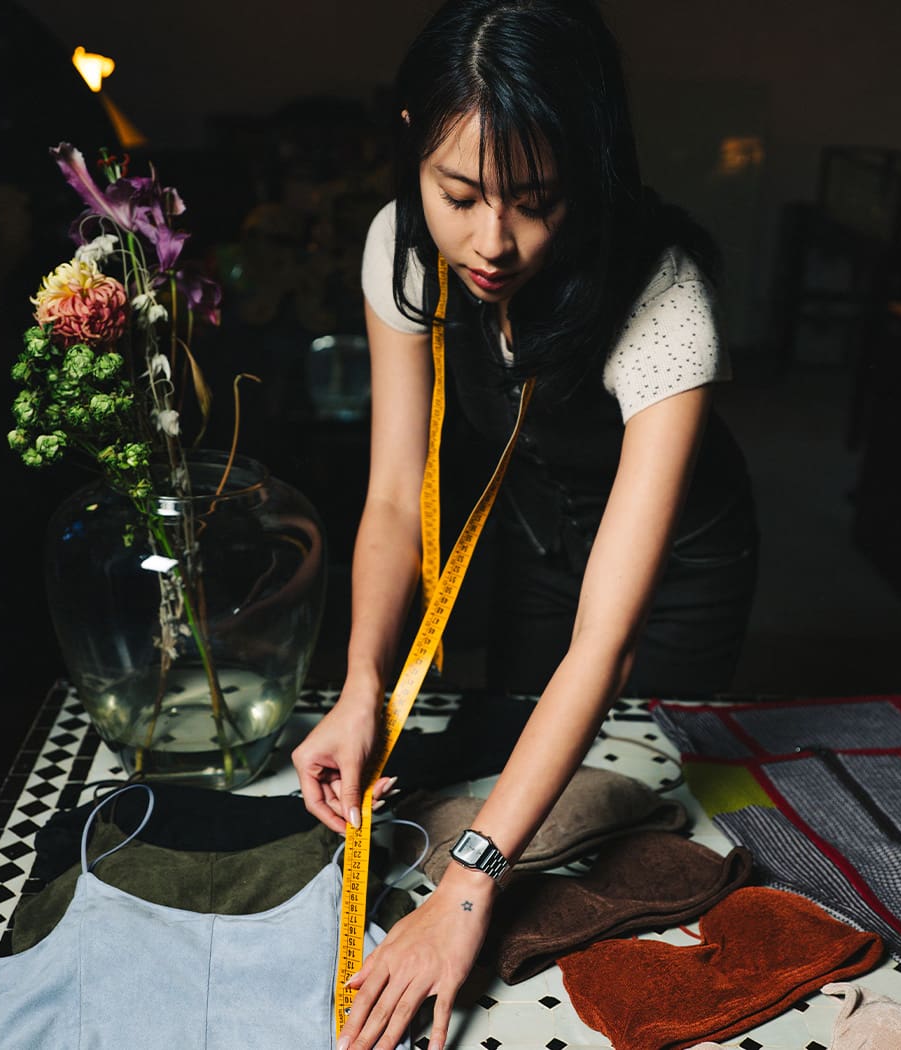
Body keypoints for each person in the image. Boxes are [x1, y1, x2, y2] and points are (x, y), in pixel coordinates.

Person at [291, 2, 758, 1047]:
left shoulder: (667, 296)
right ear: (413, 134)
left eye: (537, 202)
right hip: (536, 531)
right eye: (460, 194)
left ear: (588, 171)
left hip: (677, 569)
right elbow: (391, 495)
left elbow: (609, 639)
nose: (491, 241)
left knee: (666, 799)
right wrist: (364, 681)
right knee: (499, 760)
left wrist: (467, 888)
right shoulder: (400, 250)